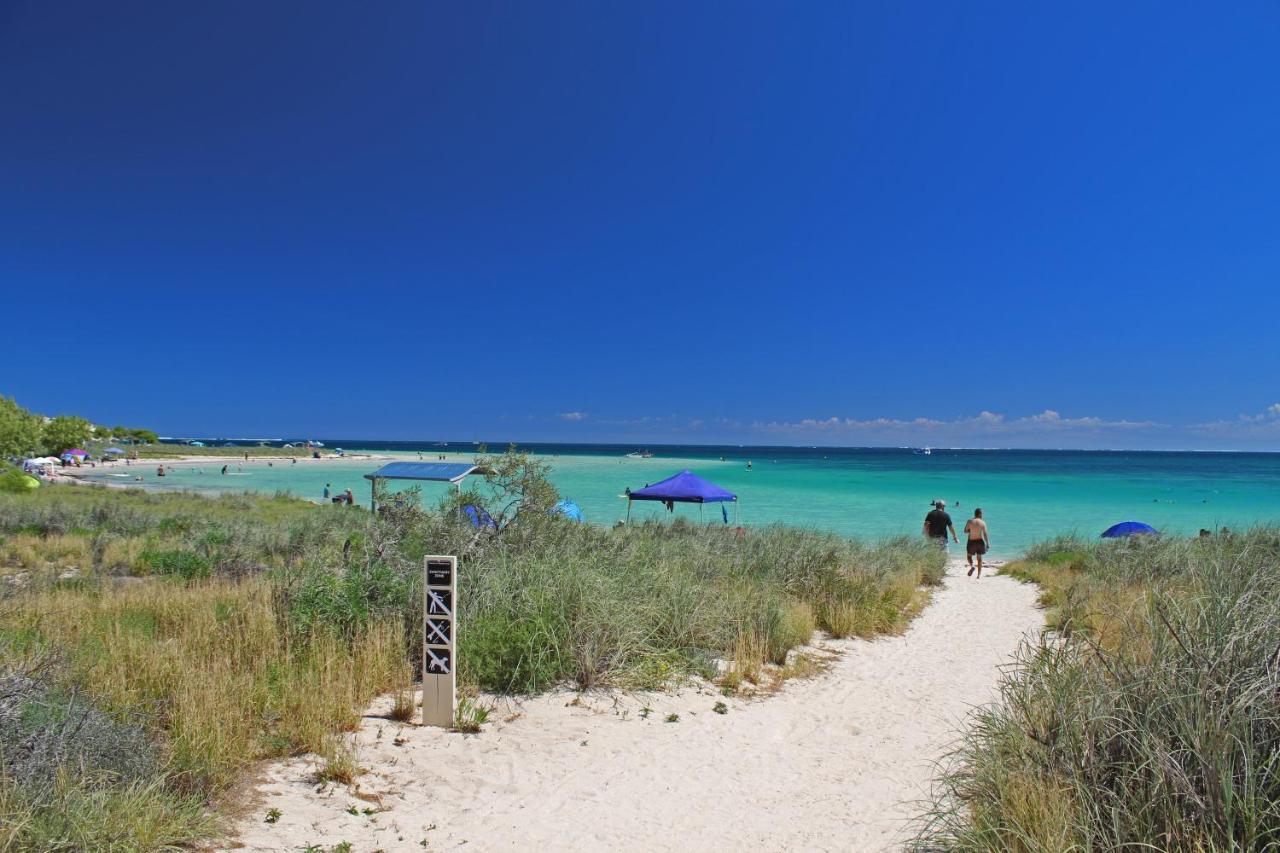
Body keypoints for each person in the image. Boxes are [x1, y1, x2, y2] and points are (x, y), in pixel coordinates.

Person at [964, 508, 990, 578]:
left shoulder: (970, 521)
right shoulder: (983, 522)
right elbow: (985, 534)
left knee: (969, 556)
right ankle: (978, 575)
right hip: (980, 541)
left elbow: (965, 531)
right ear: (980, 514)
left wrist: (971, 530)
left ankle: (972, 566)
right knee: (979, 559)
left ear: (975, 514)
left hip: (971, 541)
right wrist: (987, 544)